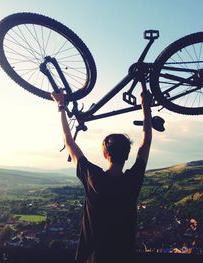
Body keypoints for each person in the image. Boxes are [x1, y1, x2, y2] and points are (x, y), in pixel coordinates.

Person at [51, 86, 152, 263]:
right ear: (128, 155)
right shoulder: (132, 180)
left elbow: (68, 141)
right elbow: (146, 142)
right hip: (124, 256)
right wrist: (146, 106)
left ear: (105, 154)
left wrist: (61, 105)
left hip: (94, 257)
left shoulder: (93, 178)